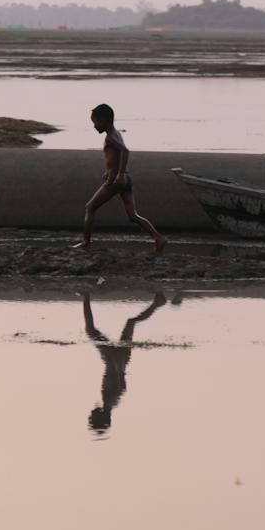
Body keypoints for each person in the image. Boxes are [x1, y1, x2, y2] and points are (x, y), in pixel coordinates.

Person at [76, 103, 168, 252]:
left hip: (116, 181)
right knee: (133, 215)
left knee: (90, 208)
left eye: (95, 123)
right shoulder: (116, 133)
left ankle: (86, 242)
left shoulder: (111, 137)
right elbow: (115, 156)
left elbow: (125, 151)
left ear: (104, 120)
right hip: (125, 179)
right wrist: (111, 170)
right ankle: (159, 238)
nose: (94, 127)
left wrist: (118, 174)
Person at [83, 288, 167, 435]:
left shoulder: (112, 402)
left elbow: (122, 385)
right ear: (100, 417)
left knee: (130, 323)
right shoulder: (109, 400)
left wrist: (118, 366)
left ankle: (157, 303)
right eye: (92, 417)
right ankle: (86, 295)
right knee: (90, 330)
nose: (91, 414)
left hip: (121, 358)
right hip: (113, 358)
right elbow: (119, 381)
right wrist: (115, 365)